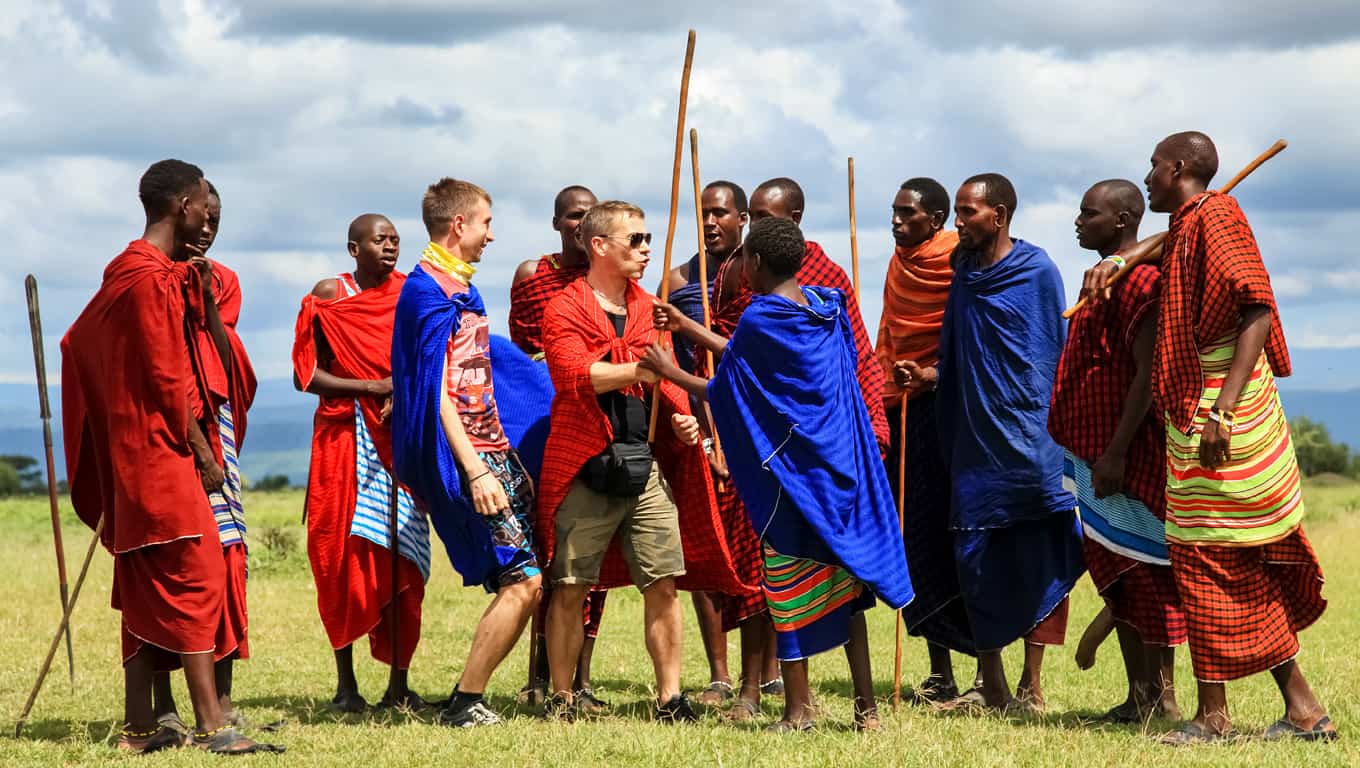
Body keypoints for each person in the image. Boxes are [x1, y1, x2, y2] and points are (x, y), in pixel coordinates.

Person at [642, 216, 914, 732]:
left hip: (795, 480)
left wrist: (669, 371)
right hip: (839, 473)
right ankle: (867, 710)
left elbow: (731, 385)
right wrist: (689, 327)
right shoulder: (823, 308)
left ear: (757, 264)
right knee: (848, 593)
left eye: (744, 259)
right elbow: (751, 359)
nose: (739, 267)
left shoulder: (761, 317)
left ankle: (797, 710)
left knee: (787, 590)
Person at [61, 159, 277, 754]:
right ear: (184, 204)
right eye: (207, 203)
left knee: (144, 581)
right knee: (199, 574)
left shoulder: (133, 270)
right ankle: (212, 724)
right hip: (159, 451)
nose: (211, 214)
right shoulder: (148, 277)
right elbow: (165, 375)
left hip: (138, 448)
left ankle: (138, 730)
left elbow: (78, 341)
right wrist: (204, 450)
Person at [1125, 131, 1332, 743]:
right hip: (1199, 409)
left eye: (1154, 166)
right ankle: (1292, 709)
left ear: (1180, 168)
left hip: (1221, 410)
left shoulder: (1217, 218)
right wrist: (1121, 259)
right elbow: (1169, 246)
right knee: (1208, 554)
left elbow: (1257, 310)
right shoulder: (1194, 223)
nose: (1147, 177)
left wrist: (1223, 409)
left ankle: (1224, 716)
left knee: (1209, 554)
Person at [537, 200, 745, 723]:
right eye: (635, 239)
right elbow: (573, 375)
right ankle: (562, 698)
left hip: (642, 464)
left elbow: (667, 375)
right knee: (570, 585)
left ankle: (670, 698)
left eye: (648, 238)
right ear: (600, 246)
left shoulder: (650, 307)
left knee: (663, 581)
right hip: (585, 462)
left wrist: (682, 419)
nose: (646, 248)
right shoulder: (565, 306)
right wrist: (639, 371)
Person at [898, 174, 1084, 712]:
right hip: (974, 443)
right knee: (974, 557)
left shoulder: (1036, 272)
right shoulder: (964, 273)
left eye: (967, 213)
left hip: (1030, 440)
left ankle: (1032, 684)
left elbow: (1047, 358)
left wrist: (1039, 428)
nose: (958, 223)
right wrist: (930, 377)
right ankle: (993, 684)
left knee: (1039, 553)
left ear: (998, 215)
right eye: (955, 213)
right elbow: (961, 353)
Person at [391, 178, 543, 728]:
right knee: (523, 581)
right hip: (468, 459)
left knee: (525, 578)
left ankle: (466, 696)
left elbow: (473, 374)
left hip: (491, 450)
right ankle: (464, 701)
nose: (490, 235)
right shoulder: (424, 293)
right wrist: (474, 469)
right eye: (485, 223)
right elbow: (432, 392)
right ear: (459, 225)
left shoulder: (463, 290)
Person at [1048, 180, 1185, 722]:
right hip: (1092, 452)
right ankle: (1140, 697)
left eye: (1090, 214)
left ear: (1124, 220)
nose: (1078, 222)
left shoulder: (1139, 283)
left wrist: (1117, 452)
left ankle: (1165, 699)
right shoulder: (1101, 280)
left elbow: (1150, 374)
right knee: (1118, 570)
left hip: (1123, 455)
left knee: (1148, 571)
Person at [293, 213, 429, 713]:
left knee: (404, 555)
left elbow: (423, 360)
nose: (390, 247)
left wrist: (403, 392)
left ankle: (399, 685)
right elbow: (305, 375)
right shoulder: (331, 294)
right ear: (354, 249)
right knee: (338, 555)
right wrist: (373, 387)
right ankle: (345, 687)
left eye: (395, 239)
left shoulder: (410, 293)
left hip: (400, 439)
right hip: (342, 438)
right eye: (379, 240)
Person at [656, 180, 778, 713]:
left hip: (753, 425)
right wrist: (690, 418)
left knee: (760, 550)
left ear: (743, 218)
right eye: (703, 213)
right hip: (699, 418)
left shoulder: (763, 279)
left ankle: (770, 671)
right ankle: (721, 672)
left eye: (721, 214)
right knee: (706, 546)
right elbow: (664, 352)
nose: (710, 222)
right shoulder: (678, 278)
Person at [151, 181, 259, 734]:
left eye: (219, 217)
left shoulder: (223, 280)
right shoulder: (149, 278)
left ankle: (220, 694)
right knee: (175, 563)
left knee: (228, 556)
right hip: (165, 435)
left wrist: (208, 302)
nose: (210, 227)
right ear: (183, 212)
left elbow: (227, 360)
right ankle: (161, 707)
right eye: (204, 215)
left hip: (213, 427)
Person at [507, 184, 610, 712]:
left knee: (591, 562)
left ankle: (582, 678)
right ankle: (536, 678)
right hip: (543, 426)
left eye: (589, 216)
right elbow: (521, 364)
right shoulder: (533, 278)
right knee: (548, 556)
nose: (580, 224)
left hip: (599, 424)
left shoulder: (608, 276)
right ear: (556, 223)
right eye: (573, 216)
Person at [877, 177, 977, 703]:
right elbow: (890, 333)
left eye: (907, 215)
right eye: (893, 212)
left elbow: (971, 335)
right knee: (916, 540)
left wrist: (934, 374)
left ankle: (991, 673)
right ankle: (941, 673)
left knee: (965, 535)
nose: (896, 222)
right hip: (903, 407)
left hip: (953, 408)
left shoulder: (961, 260)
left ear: (935, 220)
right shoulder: (899, 263)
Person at [715, 176, 888, 449]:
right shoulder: (742, 271)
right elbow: (736, 356)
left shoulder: (827, 278)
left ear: (794, 218)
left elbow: (853, 351)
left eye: (765, 217)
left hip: (821, 416)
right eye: (753, 218)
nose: (755, 227)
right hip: (757, 417)